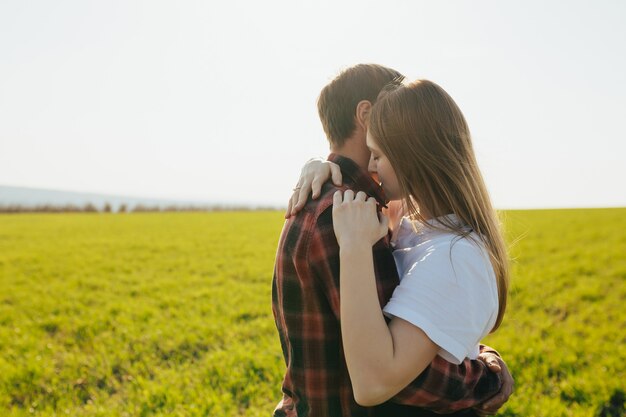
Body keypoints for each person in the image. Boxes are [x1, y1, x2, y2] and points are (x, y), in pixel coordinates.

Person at [272, 64, 513, 417]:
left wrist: (476, 351)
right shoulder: (350, 219)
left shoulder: (363, 214)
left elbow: (416, 332)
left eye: (380, 154)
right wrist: (485, 376)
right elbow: (394, 377)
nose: (373, 161)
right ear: (368, 114)